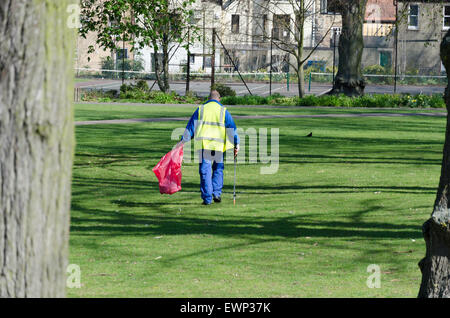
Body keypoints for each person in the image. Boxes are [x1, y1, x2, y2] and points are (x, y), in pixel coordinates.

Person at [180, 90, 240, 205]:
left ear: (208, 99)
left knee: (205, 171)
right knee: (218, 169)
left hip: (204, 145)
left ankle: (207, 198)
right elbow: (232, 129)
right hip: (218, 145)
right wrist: (236, 143)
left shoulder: (201, 109)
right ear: (219, 99)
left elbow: (191, 128)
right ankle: (216, 193)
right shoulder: (223, 111)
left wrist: (182, 141)